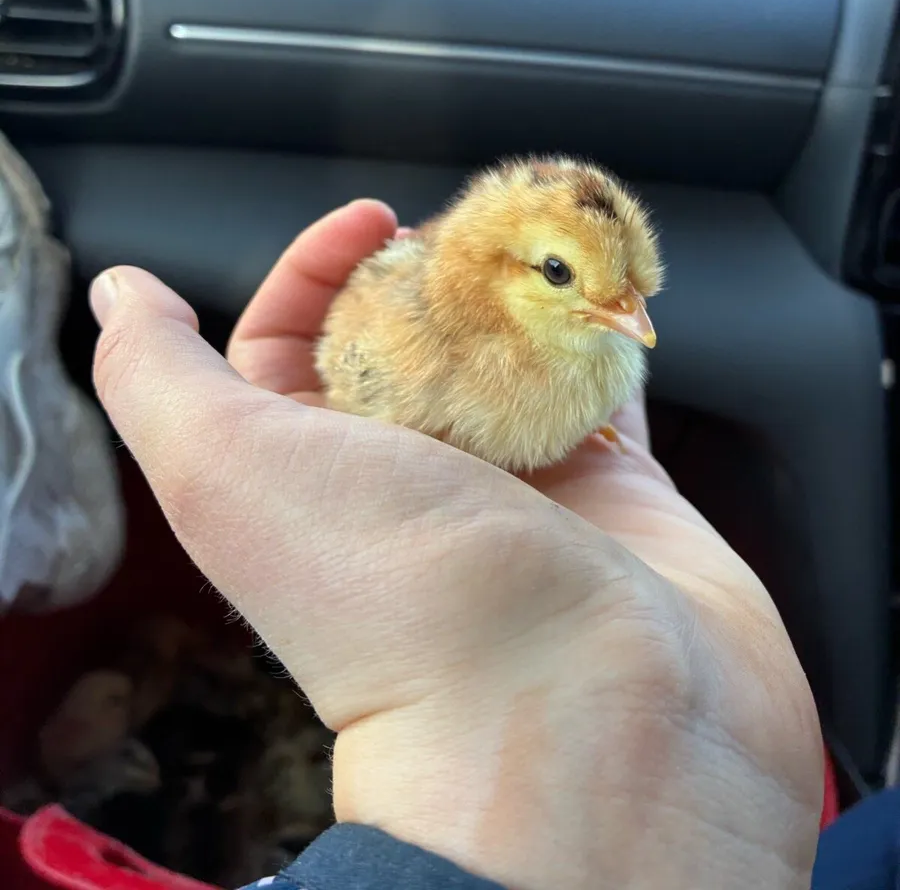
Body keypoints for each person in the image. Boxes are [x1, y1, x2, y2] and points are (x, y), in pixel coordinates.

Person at [87, 198, 854, 890]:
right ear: (501, 271)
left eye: (636, 289)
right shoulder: (432, 341)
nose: (633, 314)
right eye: (562, 271)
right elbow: (363, 373)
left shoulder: (590, 341)